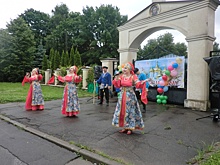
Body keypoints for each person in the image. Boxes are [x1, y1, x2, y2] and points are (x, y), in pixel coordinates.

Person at [112, 62, 148, 135]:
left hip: (130, 96)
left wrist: (142, 83)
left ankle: (130, 128)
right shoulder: (121, 76)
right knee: (122, 111)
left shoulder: (133, 76)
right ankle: (125, 127)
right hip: (122, 95)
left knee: (130, 112)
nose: (124, 69)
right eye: (123, 68)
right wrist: (116, 78)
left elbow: (137, 85)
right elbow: (118, 86)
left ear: (129, 69)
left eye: (126, 68)